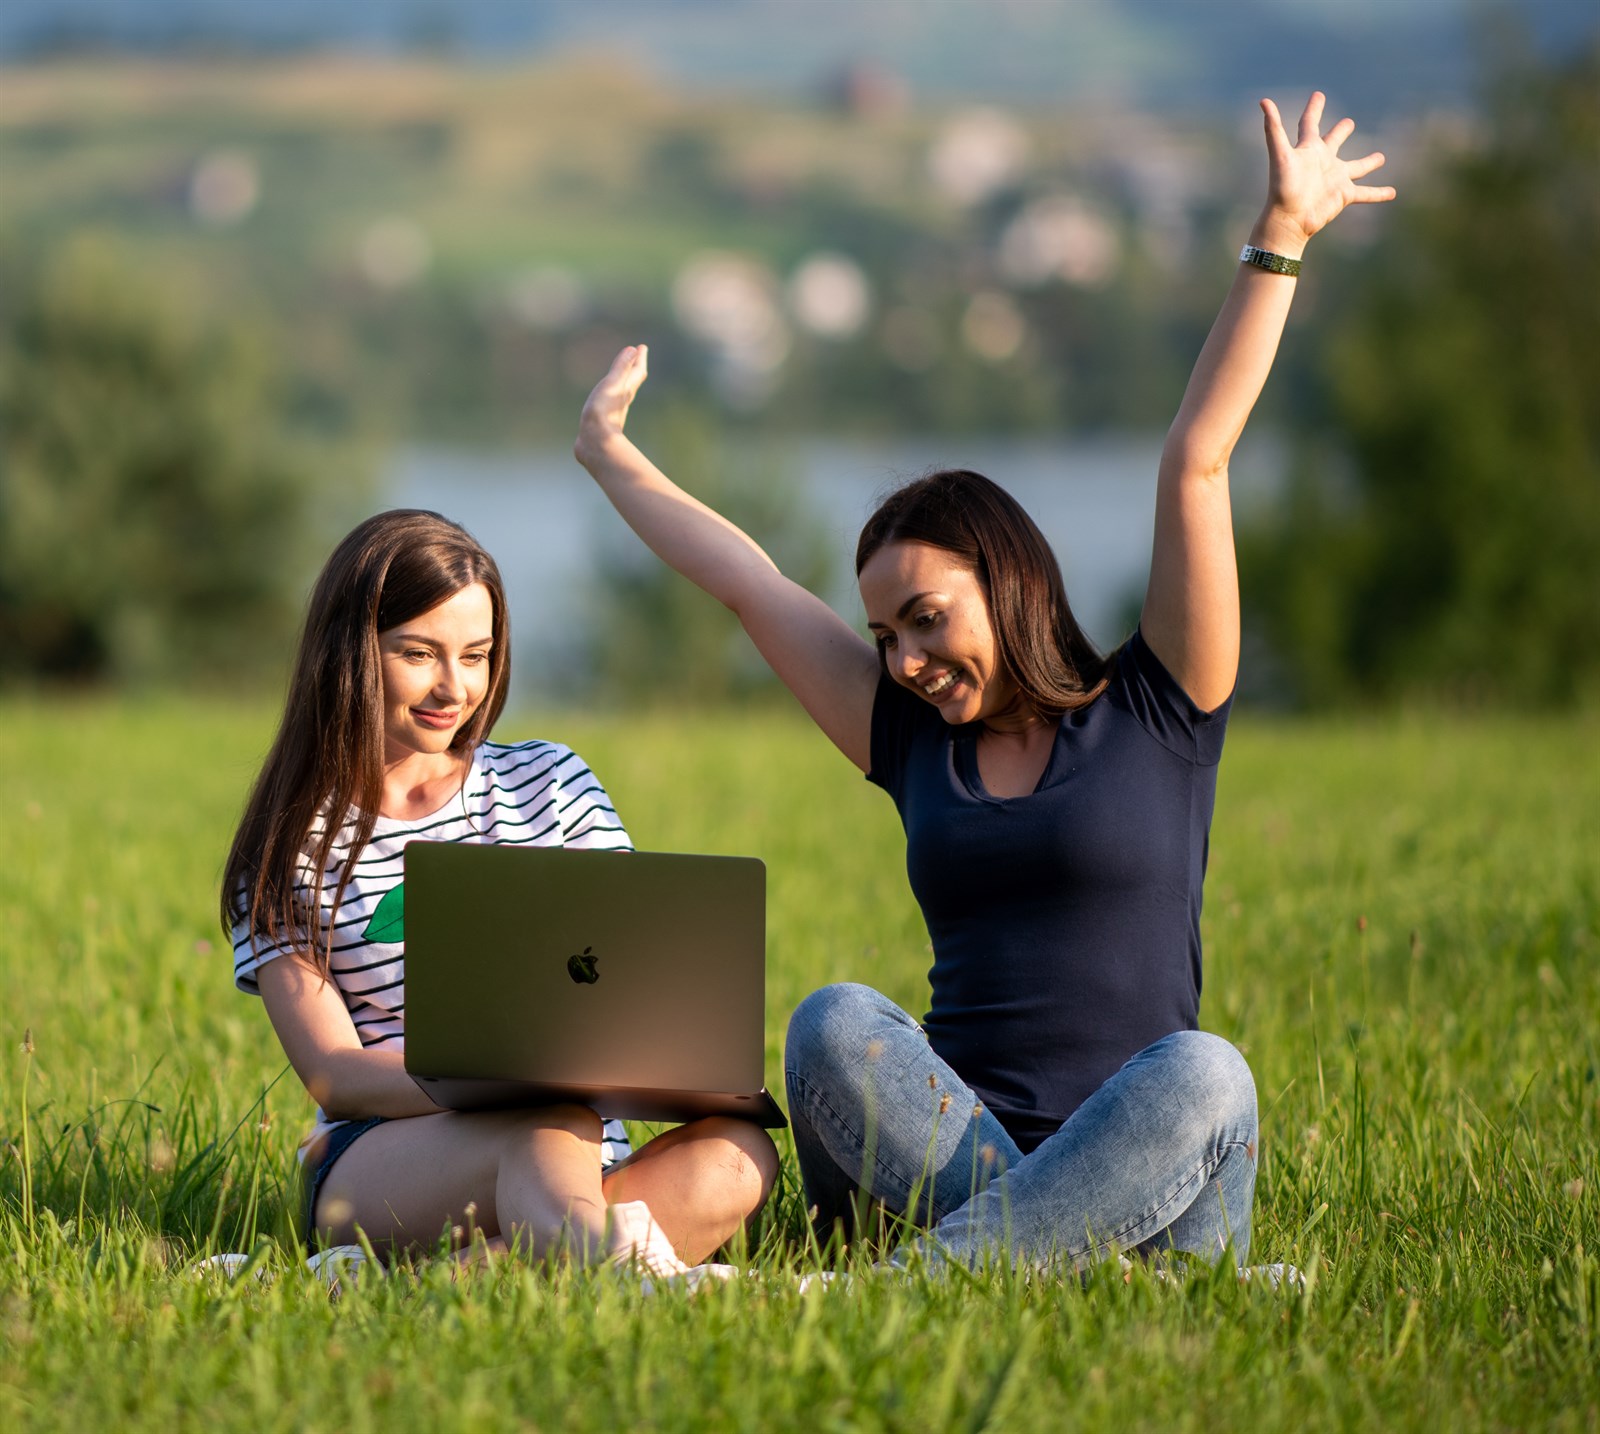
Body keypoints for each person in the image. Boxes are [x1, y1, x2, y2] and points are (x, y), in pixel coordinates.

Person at [573, 93, 1394, 1273]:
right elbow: (748, 584)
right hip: (946, 1159)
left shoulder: (1160, 706)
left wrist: (1281, 236)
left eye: (927, 620)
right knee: (831, 1023)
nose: (904, 659)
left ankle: (937, 1279)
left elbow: (1196, 457)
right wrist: (611, 457)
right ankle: (1061, 1267)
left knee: (1206, 1072)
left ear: (1007, 583)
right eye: (882, 633)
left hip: (1155, 1173)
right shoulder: (910, 741)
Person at [222, 509, 777, 1280]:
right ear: (350, 653)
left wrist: (676, 1058)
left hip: (588, 1146)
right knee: (540, 1124)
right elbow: (333, 1073)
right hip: (389, 1156)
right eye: (419, 654)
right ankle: (633, 1280)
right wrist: (496, 1083)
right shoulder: (293, 845)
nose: (455, 687)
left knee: (739, 1152)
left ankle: (451, 1283)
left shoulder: (552, 783)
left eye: (477, 656)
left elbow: (628, 974)